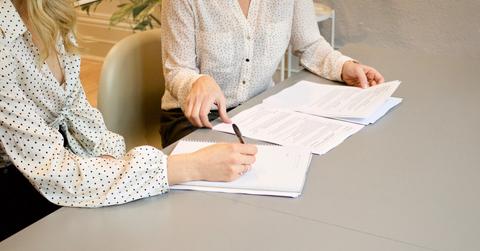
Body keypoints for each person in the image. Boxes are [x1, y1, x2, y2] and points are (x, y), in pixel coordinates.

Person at [0, 0, 257, 241]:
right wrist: (191, 167)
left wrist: (110, 160)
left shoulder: (52, 13)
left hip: (58, 164)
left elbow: (79, 113)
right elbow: (53, 171)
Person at [159, 0, 385, 147]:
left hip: (258, 112)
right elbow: (177, 70)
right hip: (194, 119)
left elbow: (309, 44)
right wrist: (197, 83)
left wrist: (344, 67)